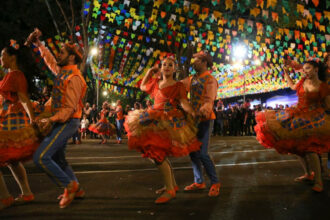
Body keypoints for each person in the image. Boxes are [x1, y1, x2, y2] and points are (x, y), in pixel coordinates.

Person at [124, 56, 200, 204]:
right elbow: (142, 86)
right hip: (152, 118)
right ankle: (171, 185)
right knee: (154, 155)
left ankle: (170, 190)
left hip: (168, 121)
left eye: (170, 65)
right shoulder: (156, 83)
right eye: (164, 64)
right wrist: (149, 72)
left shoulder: (178, 86)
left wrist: (192, 112)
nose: (166, 67)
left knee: (157, 155)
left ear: (174, 69)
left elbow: (184, 102)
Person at [26, 28, 87, 208]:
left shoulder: (75, 78)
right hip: (61, 120)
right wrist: (38, 44)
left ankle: (69, 185)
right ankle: (77, 188)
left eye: (62, 53)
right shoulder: (63, 72)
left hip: (68, 121)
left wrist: (50, 120)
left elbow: (69, 109)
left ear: (71, 58)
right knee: (59, 160)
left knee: (42, 157)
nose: (58, 55)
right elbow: (50, 61)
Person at [254, 60, 330, 192]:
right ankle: (308, 174)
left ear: (316, 69)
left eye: (307, 68)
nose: (305, 71)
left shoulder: (323, 87)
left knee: (311, 149)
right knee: (296, 146)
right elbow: (293, 87)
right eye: (304, 68)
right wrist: (286, 74)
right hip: (297, 114)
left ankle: (319, 181)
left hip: (313, 118)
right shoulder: (302, 81)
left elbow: (328, 105)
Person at [0, 43, 41, 210]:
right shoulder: (10, 75)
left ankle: (4, 198)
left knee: (10, 159)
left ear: (12, 57)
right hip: (8, 118)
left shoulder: (15, 75)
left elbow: (23, 98)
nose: (0, 59)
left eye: (2, 55)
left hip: (12, 121)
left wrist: (32, 119)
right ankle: (26, 193)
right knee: (12, 161)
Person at [181, 51, 221, 197]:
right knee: (193, 152)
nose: (193, 62)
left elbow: (209, 99)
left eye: (196, 59)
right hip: (193, 120)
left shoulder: (210, 80)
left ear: (204, 62)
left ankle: (215, 182)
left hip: (205, 119)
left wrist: (205, 108)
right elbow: (178, 87)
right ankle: (199, 181)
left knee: (203, 153)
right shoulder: (192, 79)